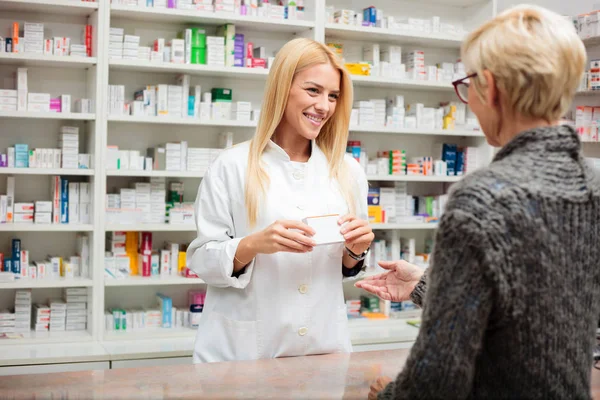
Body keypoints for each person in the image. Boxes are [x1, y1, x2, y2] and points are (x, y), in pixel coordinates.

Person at [356, 5, 600, 399]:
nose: (468, 100)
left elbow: (438, 379)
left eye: (469, 85)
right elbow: (537, 305)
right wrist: (424, 285)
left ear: (490, 87)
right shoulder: (592, 185)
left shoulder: (482, 200)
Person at [186, 38, 374, 363]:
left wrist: (355, 252)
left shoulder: (347, 172)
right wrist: (254, 244)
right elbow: (202, 261)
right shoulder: (232, 166)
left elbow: (345, 269)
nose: (324, 106)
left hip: (323, 349)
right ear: (282, 87)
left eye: (333, 96)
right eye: (313, 91)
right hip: (244, 353)